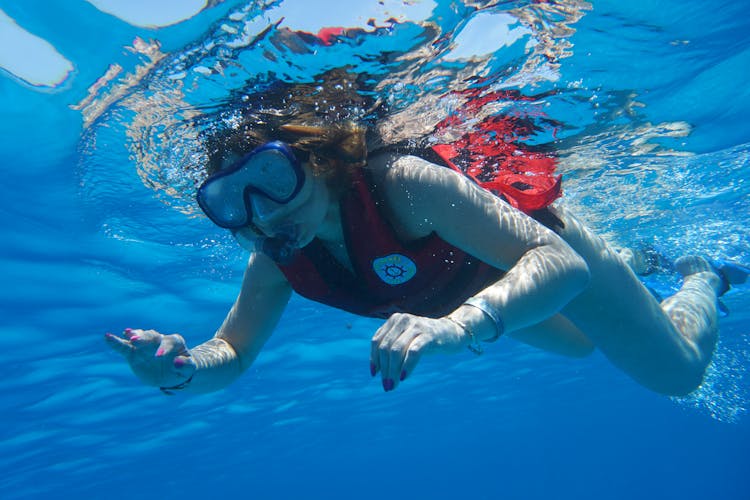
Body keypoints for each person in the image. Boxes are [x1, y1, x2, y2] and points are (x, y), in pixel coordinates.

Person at [105, 82, 745, 397]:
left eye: (272, 178)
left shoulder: (403, 184)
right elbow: (233, 353)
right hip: (482, 290)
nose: (260, 213)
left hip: (537, 256)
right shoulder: (279, 258)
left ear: (321, 160)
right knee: (580, 349)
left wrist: (459, 327)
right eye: (230, 201)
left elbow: (562, 265)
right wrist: (180, 371)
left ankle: (699, 275)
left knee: (677, 375)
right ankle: (634, 261)